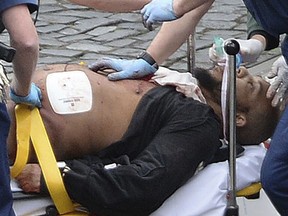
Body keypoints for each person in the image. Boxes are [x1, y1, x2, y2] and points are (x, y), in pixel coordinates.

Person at [7, 63, 281, 215]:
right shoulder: (183, 89)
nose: (242, 70)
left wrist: (59, 176)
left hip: (15, 129)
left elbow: (142, 184)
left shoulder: (199, 124)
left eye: (251, 84)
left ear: (238, 118)